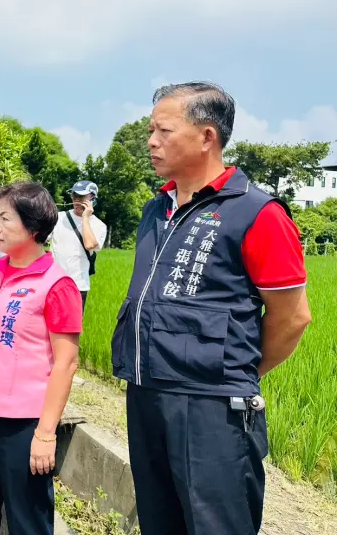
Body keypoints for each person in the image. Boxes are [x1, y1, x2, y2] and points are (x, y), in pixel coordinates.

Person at [112, 82, 311, 535]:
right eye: (150, 130)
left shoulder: (257, 214)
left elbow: (293, 318)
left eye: (164, 130)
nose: (151, 141)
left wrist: (237, 371)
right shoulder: (154, 210)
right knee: (160, 522)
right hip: (146, 396)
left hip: (212, 410)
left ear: (206, 137)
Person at [0, 181, 83, 534]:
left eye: (6, 219)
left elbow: (66, 363)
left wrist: (45, 434)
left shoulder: (57, 286)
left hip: (22, 423)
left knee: (27, 518)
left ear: (33, 227)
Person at [50, 180, 107, 311]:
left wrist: (85, 218)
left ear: (92, 199)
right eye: (75, 196)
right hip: (53, 284)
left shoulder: (99, 226)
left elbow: (89, 244)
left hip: (78, 287)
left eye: (81, 197)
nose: (76, 200)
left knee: (71, 330)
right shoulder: (58, 218)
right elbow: (39, 240)